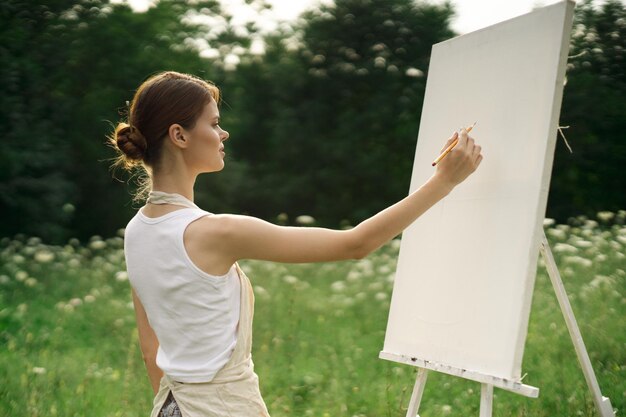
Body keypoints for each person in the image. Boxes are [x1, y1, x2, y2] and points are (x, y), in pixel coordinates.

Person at [108, 71, 482, 417]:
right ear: (180, 135)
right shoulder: (215, 232)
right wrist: (444, 183)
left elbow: (149, 347)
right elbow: (356, 244)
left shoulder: (137, 231)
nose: (224, 134)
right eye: (215, 123)